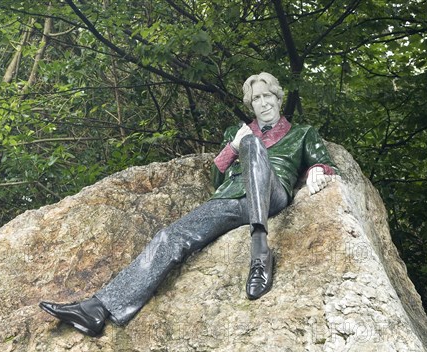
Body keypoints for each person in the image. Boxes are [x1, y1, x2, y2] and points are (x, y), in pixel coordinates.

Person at [39, 72, 338, 336]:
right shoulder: (239, 134)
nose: (263, 103)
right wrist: (234, 145)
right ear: (251, 104)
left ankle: (260, 251)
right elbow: (217, 179)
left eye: (268, 95)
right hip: (230, 200)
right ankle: (97, 309)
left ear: (278, 97)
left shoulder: (302, 134)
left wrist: (316, 171)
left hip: (271, 196)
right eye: (256, 98)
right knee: (170, 237)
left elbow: (323, 162)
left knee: (252, 145)